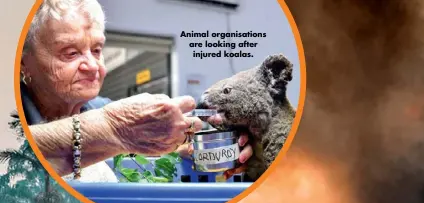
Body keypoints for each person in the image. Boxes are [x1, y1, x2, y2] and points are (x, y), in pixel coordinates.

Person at [21, 0, 252, 181]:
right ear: (22, 61)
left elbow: (167, 141)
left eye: (97, 50)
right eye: (71, 53)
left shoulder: (100, 106)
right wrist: (111, 128)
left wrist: (188, 147)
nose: (93, 66)